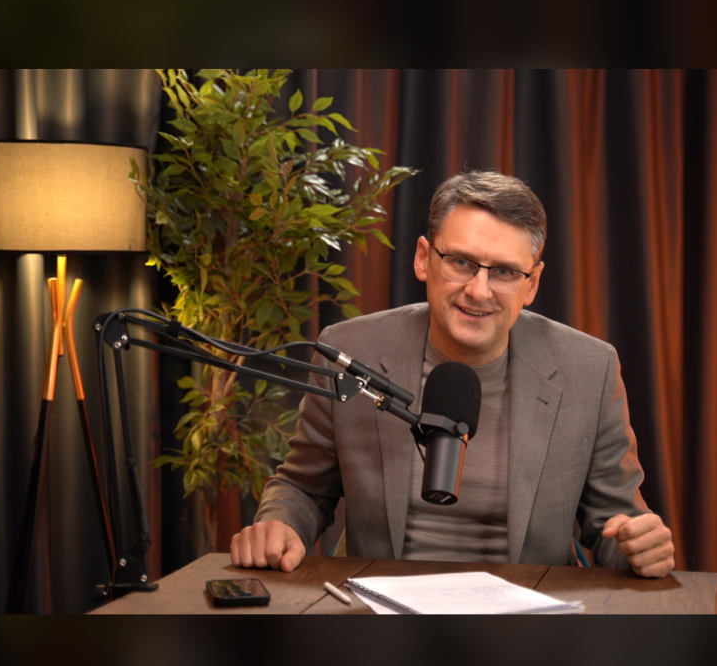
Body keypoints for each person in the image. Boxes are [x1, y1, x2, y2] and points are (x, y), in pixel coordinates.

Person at [231, 170, 675, 577]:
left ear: (532, 284)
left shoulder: (589, 369)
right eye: (461, 262)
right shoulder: (351, 351)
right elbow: (305, 487)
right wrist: (279, 524)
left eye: (504, 272)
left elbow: (614, 523)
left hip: (527, 614)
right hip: (382, 608)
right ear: (425, 259)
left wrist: (637, 547)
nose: (478, 291)